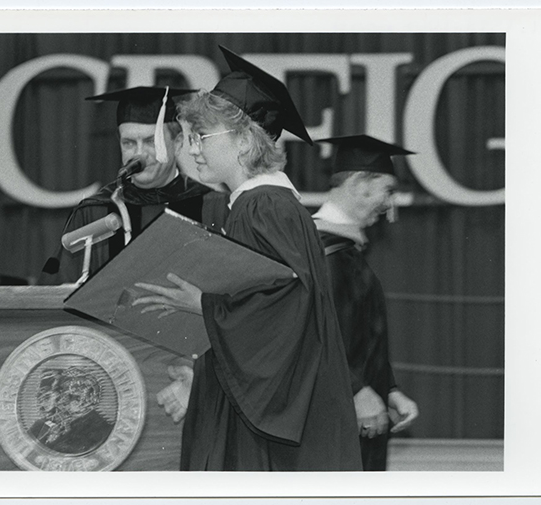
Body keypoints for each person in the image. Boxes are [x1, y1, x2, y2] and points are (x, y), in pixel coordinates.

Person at [133, 46, 361, 471]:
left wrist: (201, 304)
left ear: (243, 140)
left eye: (204, 136)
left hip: (269, 417)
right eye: (191, 137)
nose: (194, 149)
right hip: (256, 395)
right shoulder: (255, 204)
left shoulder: (265, 207)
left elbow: (284, 306)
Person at [42, 86, 229, 284]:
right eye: (129, 143)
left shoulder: (213, 207)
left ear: (178, 142)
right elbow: (56, 288)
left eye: (150, 141)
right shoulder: (95, 211)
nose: (139, 154)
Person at [313, 134, 420, 470]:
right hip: (334, 421)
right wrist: (358, 390)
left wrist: (388, 389)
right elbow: (316, 338)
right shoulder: (321, 252)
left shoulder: (345, 251)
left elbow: (359, 336)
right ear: (360, 184)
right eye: (387, 191)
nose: (390, 204)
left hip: (357, 413)